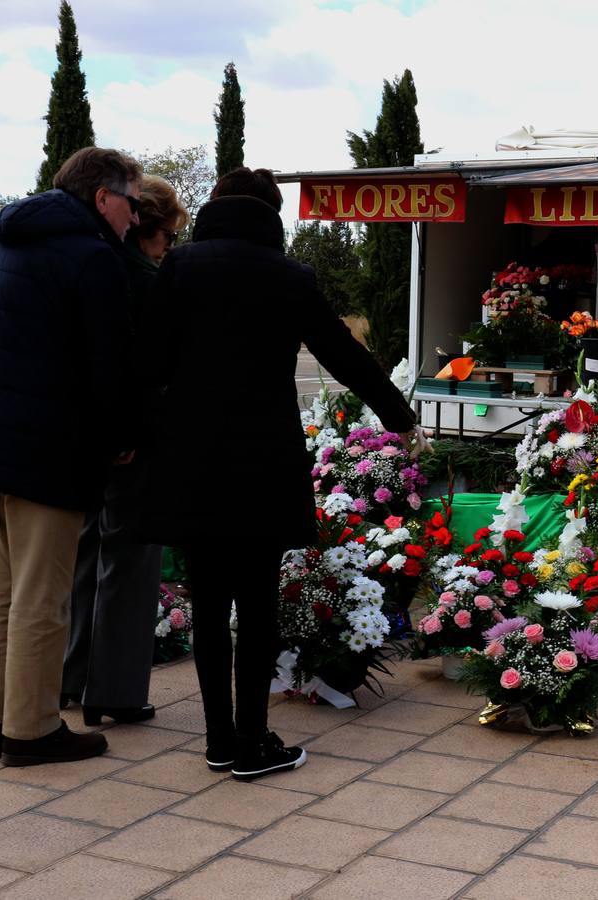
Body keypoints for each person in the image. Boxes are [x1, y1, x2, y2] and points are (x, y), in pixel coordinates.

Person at [140, 167, 424, 781]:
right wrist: (399, 417)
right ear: (272, 214)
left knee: (208, 603)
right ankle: (251, 743)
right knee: (258, 604)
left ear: (215, 205)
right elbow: (343, 354)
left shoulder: (181, 266)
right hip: (263, 460)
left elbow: (148, 360)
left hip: (191, 458)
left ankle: (218, 741)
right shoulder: (288, 276)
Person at [0, 147, 142, 767]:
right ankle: (32, 731)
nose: (135, 219)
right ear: (103, 197)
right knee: (42, 597)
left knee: (0, 593)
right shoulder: (93, 259)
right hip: (46, 452)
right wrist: (123, 439)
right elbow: (109, 369)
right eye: (132, 204)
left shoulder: (5, 243)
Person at [62, 175, 189, 726]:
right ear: (146, 231)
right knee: (131, 565)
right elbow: (149, 371)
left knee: (86, 559)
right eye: (165, 241)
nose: (167, 252)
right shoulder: (142, 279)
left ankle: (69, 679)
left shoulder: (89, 263)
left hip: (83, 438)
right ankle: (114, 692)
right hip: (133, 443)